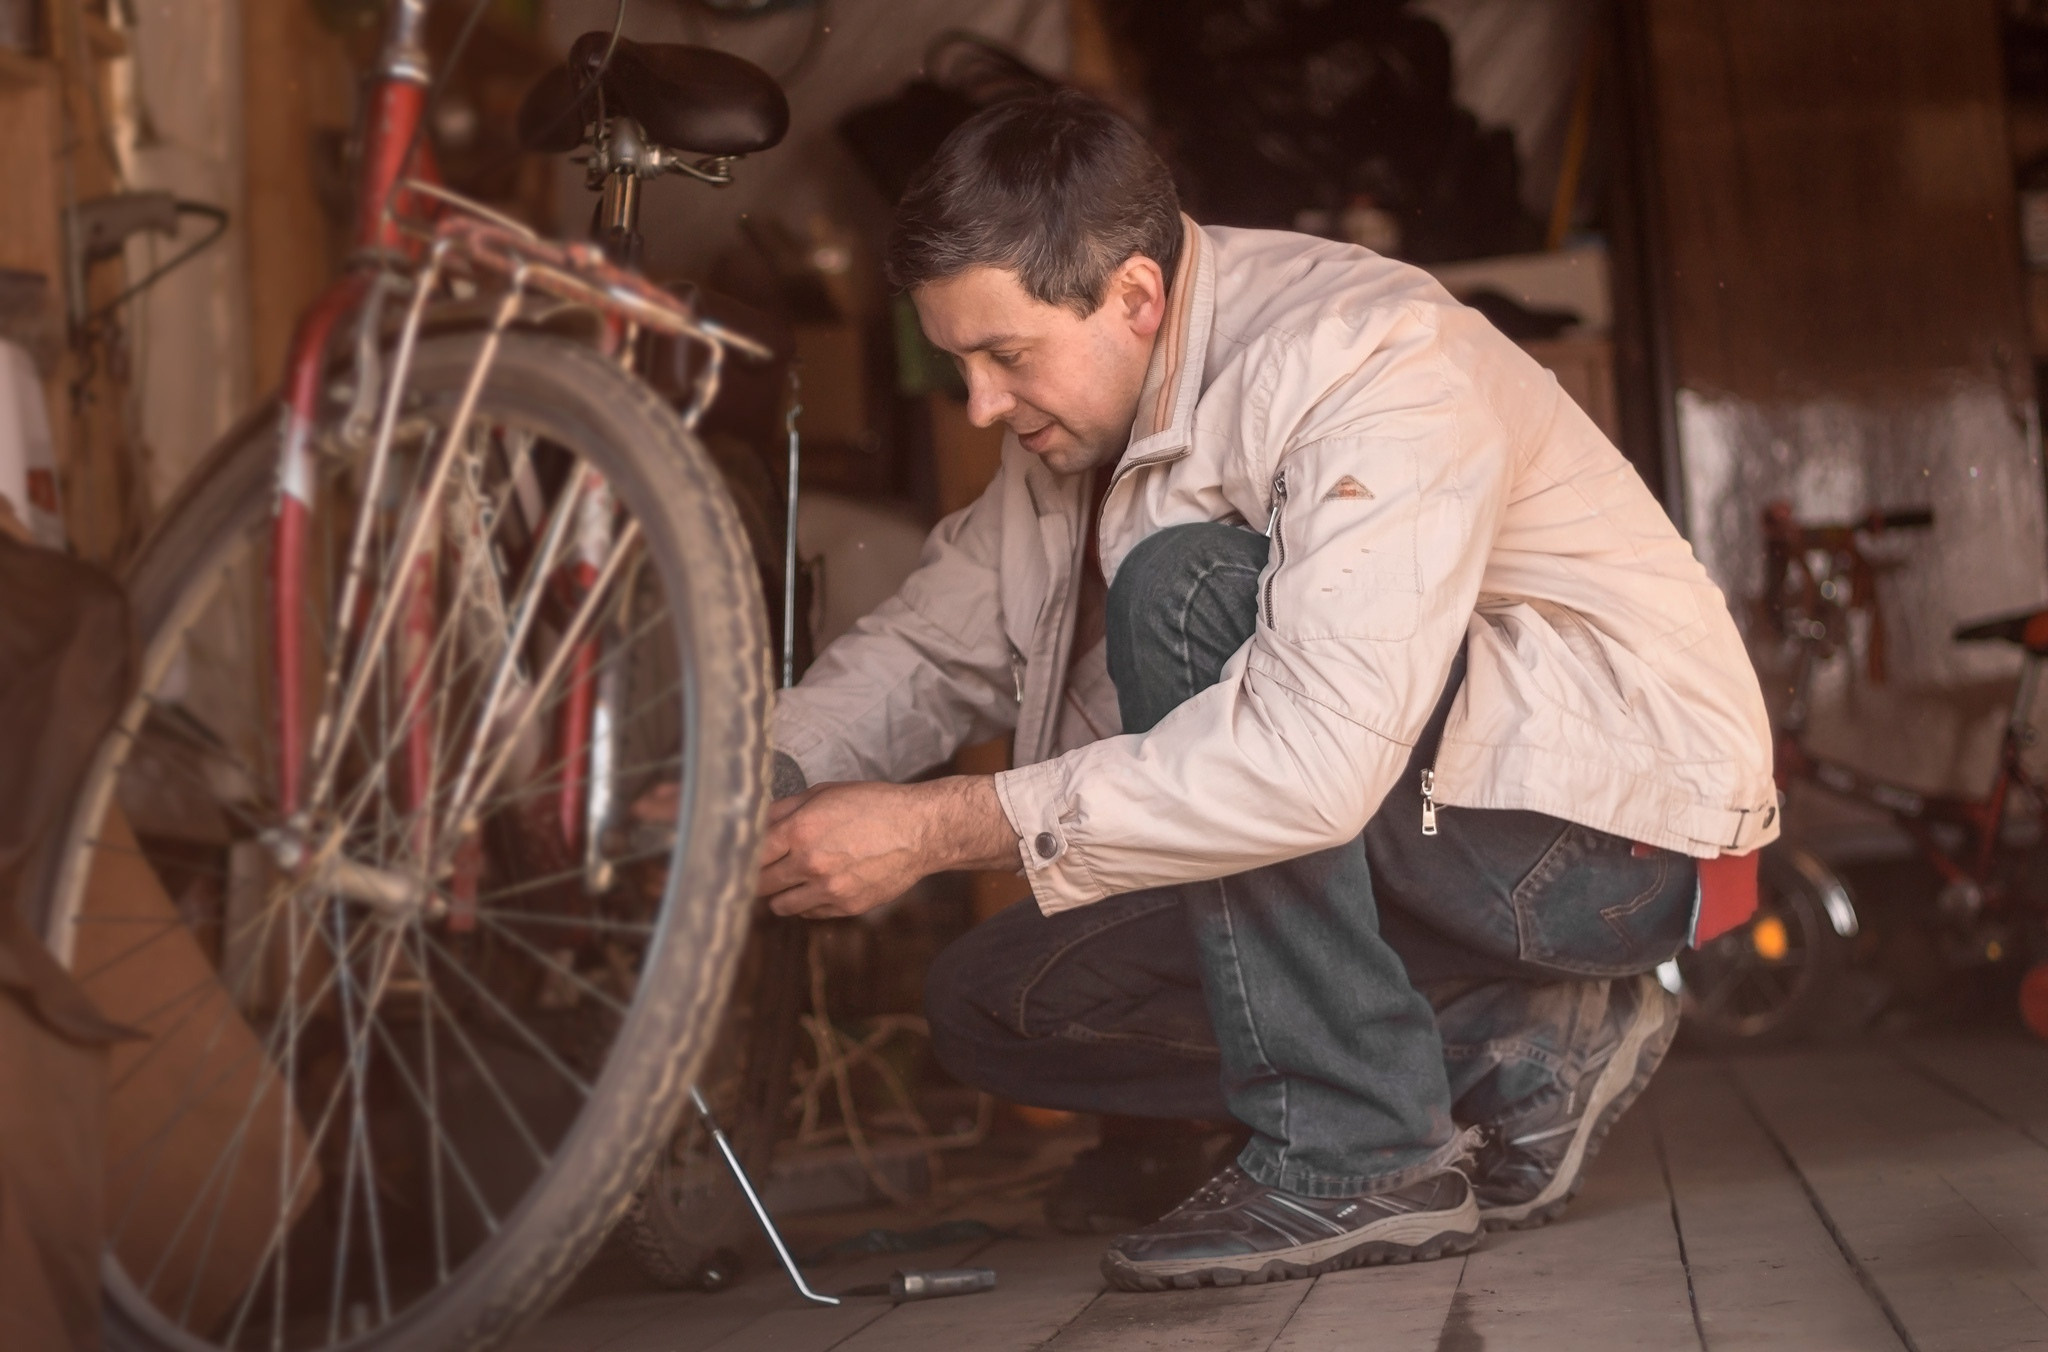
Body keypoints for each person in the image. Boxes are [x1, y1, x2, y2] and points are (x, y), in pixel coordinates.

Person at [757, 90, 1776, 1291]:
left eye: (1004, 356)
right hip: (1425, 830)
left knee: (1179, 592)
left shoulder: (1363, 353)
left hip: (1607, 843)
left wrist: (934, 825)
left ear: (1133, 294)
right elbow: (929, 651)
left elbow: (1309, 758)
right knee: (991, 997)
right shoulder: (1073, 424)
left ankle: (1360, 1151)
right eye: (955, 360)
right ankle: (1521, 1045)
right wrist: (752, 782)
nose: (977, 403)